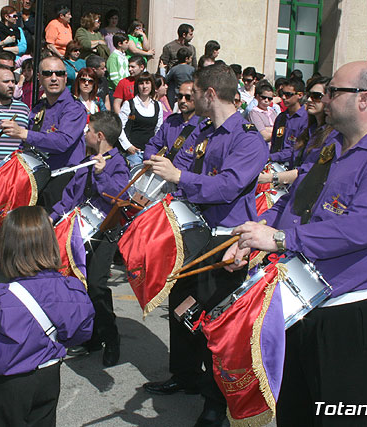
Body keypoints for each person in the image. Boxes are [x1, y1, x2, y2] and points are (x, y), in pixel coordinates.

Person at [223, 60, 367, 426]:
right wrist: (255, 234)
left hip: (346, 309)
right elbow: (294, 200)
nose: (325, 99)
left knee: (337, 415)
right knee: (294, 406)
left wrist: (279, 238)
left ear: (364, 99)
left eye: (333, 92)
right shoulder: (330, 144)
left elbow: (360, 229)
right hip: (299, 297)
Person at [143, 64, 268, 426]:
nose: (189, 97)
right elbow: (183, 171)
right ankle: (185, 375)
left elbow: (228, 186)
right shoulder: (203, 131)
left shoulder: (248, 138)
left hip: (227, 239)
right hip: (195, 232)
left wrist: (180, 175)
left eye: (194, 91)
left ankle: (216, 405)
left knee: (215, 319)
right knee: (182, 306)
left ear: (210, 94)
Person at [0, 205, 94, 426]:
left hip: (8, 382)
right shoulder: (72, 288)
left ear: (8, 248)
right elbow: (82, 332)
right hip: (50, 375)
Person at [50, 111, 129, 366]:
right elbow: (71, 195)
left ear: (100, 136)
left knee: (96, 285)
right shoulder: (87, 160)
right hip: (80, 229)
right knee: (79, 284)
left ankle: (112, 338)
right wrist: (52, 218)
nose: (85, 134)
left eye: (88, 130)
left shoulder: (117, 163)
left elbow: (120, 197)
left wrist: (102, 175)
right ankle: (91, 337)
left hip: (105, 233)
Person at [1, 56, 87, 211]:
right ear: (39, 78)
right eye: (48, 74)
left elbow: (63, 142)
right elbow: (26, 146)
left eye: (59, 73)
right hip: (38, 178)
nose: (54, 78)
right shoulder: (39, 108)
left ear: (65, 77)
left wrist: (23, 133)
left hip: (64, 179)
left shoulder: (74, 108)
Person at [259, 76, 334, 187]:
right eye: (309, 95)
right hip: (287, 175)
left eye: (316, 96)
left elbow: (308, 170)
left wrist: (271, 176)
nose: (309, 100)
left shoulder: (331, 134)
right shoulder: (285, 119)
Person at [144, 80, 203, 172]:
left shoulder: (204, 127)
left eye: (188, 97)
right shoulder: (170, 122)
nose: (183, 101)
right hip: (162, 178)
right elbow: (153, 144)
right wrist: (152, 160)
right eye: (180, 96)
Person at [119, 71, 163, 167]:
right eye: (141, 83)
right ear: (137, 86)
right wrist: (128, 146)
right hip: (133, 154)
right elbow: (119, 127)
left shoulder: (158, 105)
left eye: (147, 83)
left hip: (150, 154)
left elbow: (158, 129)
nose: (144, 86)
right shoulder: (129, 104)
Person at [269, 77, 308, 165]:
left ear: (300, 95)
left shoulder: (305, 119)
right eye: (282, 93)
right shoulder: (281, 117)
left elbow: (297, 150)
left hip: (293, 166)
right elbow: (274, 142)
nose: (283, 97)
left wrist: (272, 157)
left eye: (288, 94)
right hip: (275, 164)